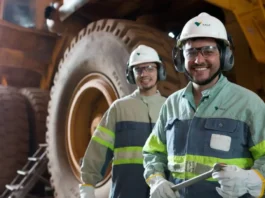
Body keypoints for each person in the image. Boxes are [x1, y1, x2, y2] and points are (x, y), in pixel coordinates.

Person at [142, 12, 265, 198]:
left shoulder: (249, 104)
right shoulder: (172, 104)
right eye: (191, 52)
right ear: (180, 58)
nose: (199, 60)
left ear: (224, 55)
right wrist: (156, 179)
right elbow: (153, 152)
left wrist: (253, 179)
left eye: (208, 51)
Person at [79, 44, 167, 198]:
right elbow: (98, 149)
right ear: (131, 74)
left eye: (150, 68)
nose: (144, 73)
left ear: (159, 71)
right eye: (138, 69)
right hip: (126, 192)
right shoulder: (119, 109)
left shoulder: (169, 108)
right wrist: (87, 186)